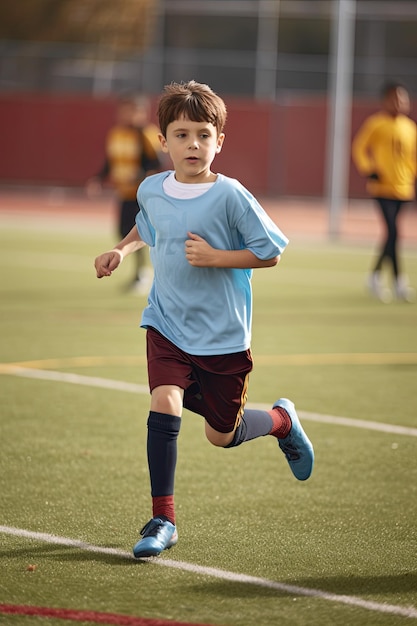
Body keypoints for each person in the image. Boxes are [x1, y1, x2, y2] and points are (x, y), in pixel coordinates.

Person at [94, 80, 314, 558]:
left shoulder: (231, 195)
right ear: (162, 141)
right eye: (181, 134)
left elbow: (270, 253)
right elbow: (146, 227)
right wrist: (120, 248)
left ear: (220, 141)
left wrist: (218, 258)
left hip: (222, 336)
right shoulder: (152, 187)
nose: (192, 144)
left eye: (203, 134)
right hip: (166, 323)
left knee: (221, 434)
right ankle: (163, 520)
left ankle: (280, 421)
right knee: (165, 401)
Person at [87, 96, 161, 294]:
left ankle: (143, 274)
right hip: (124, 192)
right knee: (122, 231)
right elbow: (111, 161)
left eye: (132, 110)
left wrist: (137, 176)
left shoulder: (147, 134)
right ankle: (140, 273)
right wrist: (99, 178)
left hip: (141, 193)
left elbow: (156, 164)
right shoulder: (117, 133)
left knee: (141, 233)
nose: (127, 115)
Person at [352, 82, 417, 302]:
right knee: (393, 232)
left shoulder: (410, 128)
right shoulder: (376, 123)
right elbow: (359, 147)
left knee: (391, 235)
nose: (400, 103)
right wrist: (369, 169)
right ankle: (399, 282)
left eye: (403, 98)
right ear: (386, 100)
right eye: (395, 98)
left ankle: (375, 276)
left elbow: (412, 158)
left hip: (404, 188)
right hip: (383, 188)